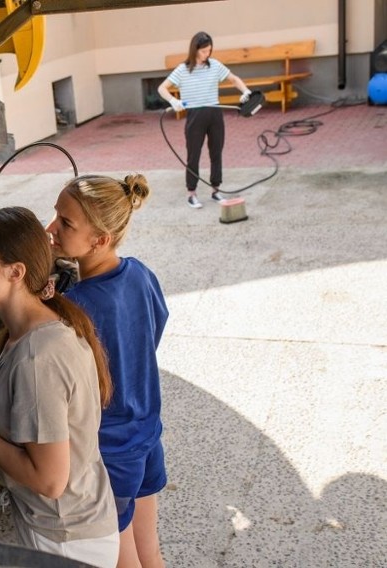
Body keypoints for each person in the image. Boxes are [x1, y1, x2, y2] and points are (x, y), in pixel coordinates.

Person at [0, 206, 120, 567]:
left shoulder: (38, 359)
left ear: (15, 272)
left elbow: (49, 479)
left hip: (64, 543)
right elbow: (16, 391)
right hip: (73, 526)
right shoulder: (32, 330)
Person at [45, 174, 169, 568]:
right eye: (55, 216)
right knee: (149, 553)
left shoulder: (77, 306)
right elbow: (154, 328)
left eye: (66, 223)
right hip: (147, 437)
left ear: (100, 240)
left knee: (122, 560)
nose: (51, 229)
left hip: (110, 454)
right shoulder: (140, 273)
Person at [157, 31, 252, 209]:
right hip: (195, 116)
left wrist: (245, 91)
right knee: (193, 155)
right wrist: (173, 100)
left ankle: (216, 190)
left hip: (214, 114)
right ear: (194, 50)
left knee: (216, 153)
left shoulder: (214, 65)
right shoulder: (183, 69)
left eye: (209, 51)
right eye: (203, 51)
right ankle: (191, 193)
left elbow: (233, 79)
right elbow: (162, 88)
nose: (206, 54)